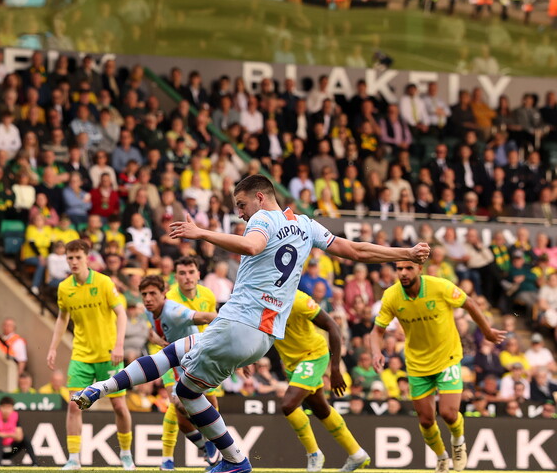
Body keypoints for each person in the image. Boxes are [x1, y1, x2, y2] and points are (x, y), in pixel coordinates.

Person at [73, 175, 429, 473]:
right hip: (263, 338)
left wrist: (203, 233)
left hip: (239, 321)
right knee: (179, 355)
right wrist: (406, 253)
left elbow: (253, 245)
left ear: (259, 197)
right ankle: (104, 390)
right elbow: (356, 251)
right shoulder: (306, 225)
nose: (241, 214)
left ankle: (233, 459)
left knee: (184, 391)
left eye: (241, 206)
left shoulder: (263, 219)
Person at [370, 260, 505, 473]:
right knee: (426, 420)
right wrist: (376, 352)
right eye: (399, 269)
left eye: (408, 268)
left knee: (449, 414)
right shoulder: (391, 296)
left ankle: (458, 442)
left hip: (447, 358)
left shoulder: (440, 286)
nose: (403, 273)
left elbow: (468, 302)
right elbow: (377, 331)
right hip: (417, 365)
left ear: (419, 269)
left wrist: (487, 331)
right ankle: (442, 457)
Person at [47, 239, 134, 470]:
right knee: (74, 405)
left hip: (109, 355)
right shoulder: (64, 287)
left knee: (119, 406)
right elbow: (62, 318)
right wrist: (53, 347)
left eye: (78, 257)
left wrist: (118, 346)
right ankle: (74, 458)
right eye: (70, 258)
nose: (74, 262)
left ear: (87, 258)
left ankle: (126, 454)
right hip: (81, 355)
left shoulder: (104, 282)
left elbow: (121, 315)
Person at [272, 290, 369, 471]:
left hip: (313, 355)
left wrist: (335, 369)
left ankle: (314, 453)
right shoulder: (260, 301)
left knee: (288, 405)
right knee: (320, 408)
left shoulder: (299, 300)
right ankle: (356, 453)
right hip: (292, 363)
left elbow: (333, 326)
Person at [138, 274, 220, 470]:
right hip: (176, 361)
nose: (148, 298)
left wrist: (229, 335)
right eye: (144, 294)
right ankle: (210, 448)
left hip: (197, 360)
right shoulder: (149, 309)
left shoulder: (175, 311)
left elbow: (208, 317)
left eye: (152, 294)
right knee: (179, 407)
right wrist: (158, 341)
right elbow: (152, 331)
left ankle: (217, 447)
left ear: (163, 294)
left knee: (195, 405)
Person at [0, 395, 38, 466]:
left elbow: (19, 437)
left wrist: (4, 434)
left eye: (9, 407)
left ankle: (35, 463)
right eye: (4, 407)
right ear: (0, 408)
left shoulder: (15, 415)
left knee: (25, 438)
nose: (6, 410)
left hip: (11, 450)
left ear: (13, 408)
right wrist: (11, 434)